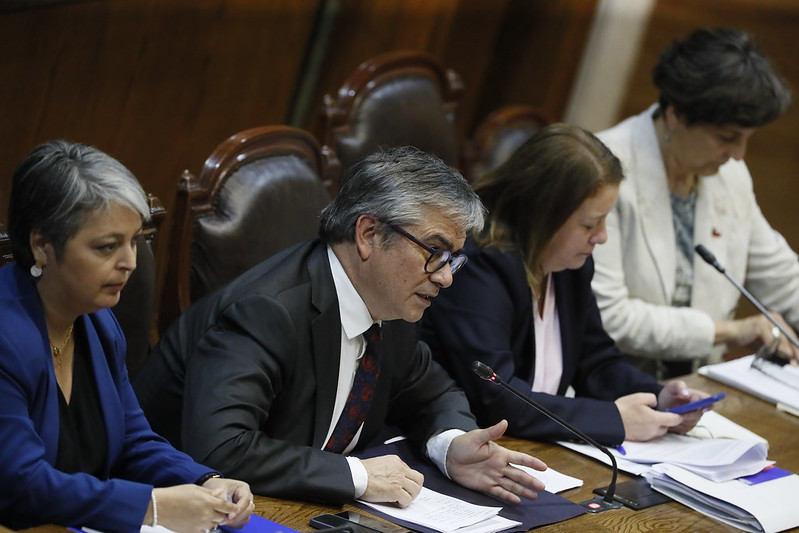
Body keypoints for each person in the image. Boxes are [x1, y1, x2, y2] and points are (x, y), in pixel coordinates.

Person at [134, 146, 548, 508]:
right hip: (173, 507)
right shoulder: (267, 311)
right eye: (435, 251)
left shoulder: (392, 304)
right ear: (368, 234)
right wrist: (359, 476)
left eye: (453, 258)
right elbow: (222, 449)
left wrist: (451, 445)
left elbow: (433, 393)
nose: (445, 277)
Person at [0, 141, 253, 532]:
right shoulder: (6, 337)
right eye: (107, 247)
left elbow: (132, 440)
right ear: (41, 245)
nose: (131, 262)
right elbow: (20, 483)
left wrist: (206, 482)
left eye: (133, 240)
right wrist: (151, 507)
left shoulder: (98, 323)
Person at [419, 124, 709, 446]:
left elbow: (596, 362)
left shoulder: (569, 266)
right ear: (542, 214)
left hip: (537, 448)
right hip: (470, 447)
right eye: (589, 224)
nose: (602, 237)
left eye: (604, 220)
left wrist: (658, 398)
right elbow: (497, 395)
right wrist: (614, 421)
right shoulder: (480, 267)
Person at [592, 27, 799, 379]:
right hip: (611, 383)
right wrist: (729, 331)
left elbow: (781, 277)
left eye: (746, 139)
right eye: (727, 138)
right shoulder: (604, 169)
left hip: (697, 385)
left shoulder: (729, 176)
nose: (738, 154)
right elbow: (609, 315)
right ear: (676, 114)